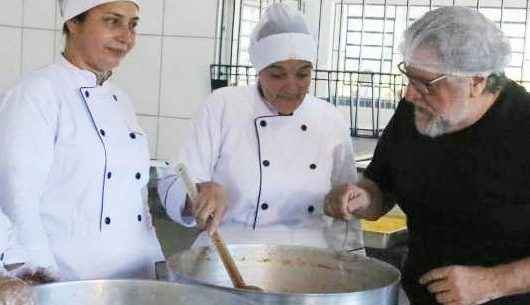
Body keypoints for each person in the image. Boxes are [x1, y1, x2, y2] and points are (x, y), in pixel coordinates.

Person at [324, 6, 530, 305]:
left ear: (476, 81)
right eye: (409, 76)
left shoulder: (523, 126)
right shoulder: (418, 111)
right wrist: (361, 197)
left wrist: (492, 282)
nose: (409, 94)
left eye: (425, 83)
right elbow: (381, 186)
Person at [160, 3, 362, 250]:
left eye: (302, 74)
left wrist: (351, 261)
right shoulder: (224, 106)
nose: (291, 87)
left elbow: (348, 203)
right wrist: (200, 192)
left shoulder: (330, 119)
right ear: (259, 71)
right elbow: (176, 178)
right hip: (228, 252)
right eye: (277, 75)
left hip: (310, 261)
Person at [0, 0, 164, 280]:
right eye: (112, 21)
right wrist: (44, 282)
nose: (126, 37)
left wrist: (158, 263)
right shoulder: (37, 93)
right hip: (70, 281)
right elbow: (18, 201)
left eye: (132, 25)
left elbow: (136, 199)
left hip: (135, 278)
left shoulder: (121, 100)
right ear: (73, 23)